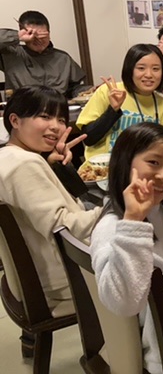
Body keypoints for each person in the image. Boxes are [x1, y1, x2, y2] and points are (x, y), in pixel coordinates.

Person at [91, 122, 163, 374]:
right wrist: (134, 221)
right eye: (154, 162)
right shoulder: (112, 229)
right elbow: (124, 303)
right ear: (125, 162)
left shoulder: (157, 211)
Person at [0, 86, 101, 311]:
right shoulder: (25, 164)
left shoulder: (9, 157)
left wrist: (54, 166)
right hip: (68, 281)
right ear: (15, 120)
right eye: (45, 116)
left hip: (39, 275)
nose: (56, 126)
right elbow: (65, 230)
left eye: (61, 119)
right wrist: (117, 208)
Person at [76, 44, 163, 164]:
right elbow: (88, 139)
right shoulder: (109, 92)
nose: (149, 74)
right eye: (141, 68)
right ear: (130, 70)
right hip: (102, 169)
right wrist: (113, 110)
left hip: (146, 170)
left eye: (155, 69)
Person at [0, 10, 90, 98]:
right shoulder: (11, 54)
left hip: (57, 106)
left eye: (43, 36)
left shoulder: (63, 58)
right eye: (33, 36)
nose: (39, 40)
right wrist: (17, 36)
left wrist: (90, 91)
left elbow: (74, 88)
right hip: (22, 106)